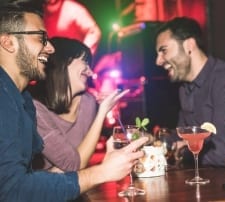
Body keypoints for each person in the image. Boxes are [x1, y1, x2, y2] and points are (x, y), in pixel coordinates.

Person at [0, 2, 147, 201]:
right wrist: (101, 172)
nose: (50, 48)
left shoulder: (22, 99)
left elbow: (30, 179)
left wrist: (107, 165)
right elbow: (12, 191)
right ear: (8, 42)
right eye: (41, 38)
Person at [28, 37, 129, 172]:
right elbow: (73, 164)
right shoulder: (34, 108)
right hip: (40, 191)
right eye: (85, 62)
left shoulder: (88, 103)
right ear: (63, 62)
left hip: (72, 187)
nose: (91, 72)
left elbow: (77, 164)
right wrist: (102, 113)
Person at [155, 17, 225, 167]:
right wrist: (153, 142)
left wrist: (184, 153)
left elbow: (221, 153)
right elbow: (183, 136)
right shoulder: (184, 88)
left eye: (164, 51)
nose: (158, 61)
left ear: (189, 45)